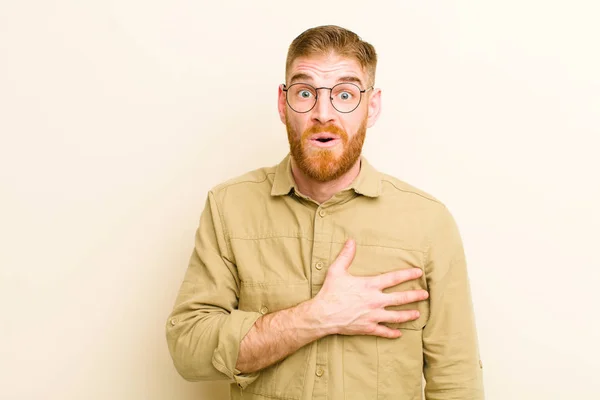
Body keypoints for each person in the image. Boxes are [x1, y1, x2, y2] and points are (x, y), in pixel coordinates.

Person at [166, 25, 484, 400]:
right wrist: (315, 317)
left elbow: (457, 381)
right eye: (305, 93)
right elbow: (188, 349)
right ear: (283, 105)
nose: (323, 113)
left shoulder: (429, 223)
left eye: (345, 95)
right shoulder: (228, 207)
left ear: (373, 106)